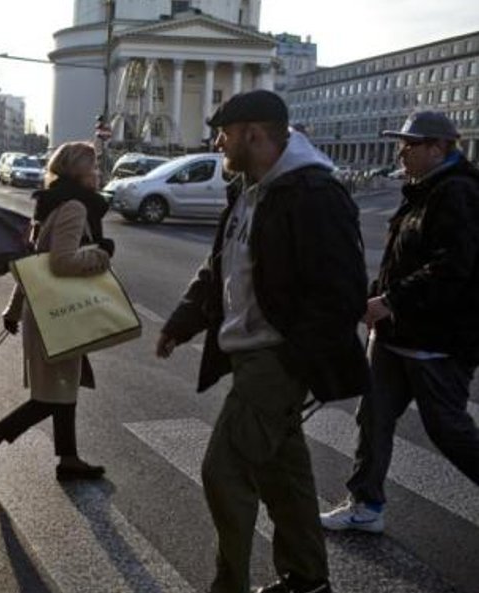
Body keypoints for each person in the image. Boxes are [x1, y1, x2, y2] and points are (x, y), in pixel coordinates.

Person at [156, 90, 369, 593]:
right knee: (283, 475)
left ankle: (228, 586)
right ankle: (308, 579)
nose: (218, 143)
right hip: (253, 355)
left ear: (254, 134)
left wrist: (295, 364)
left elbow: (342, 293)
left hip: (276, 358)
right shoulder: (249, 188)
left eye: (224, 134)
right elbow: (221, 266)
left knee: (223, 471)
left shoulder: (312, 193)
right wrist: (182, 321)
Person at [321, 111, 479, 533]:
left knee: (449, 430)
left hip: (438, 341)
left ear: (438, 148)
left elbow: (452, 266)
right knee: (373, 418)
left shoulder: (458, 192)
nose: (401, 151)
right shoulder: (422, 190)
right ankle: (365, 504)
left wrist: (390, 300)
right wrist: (375, 299)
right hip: (395, 336)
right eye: (401, 143)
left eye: (410, 144)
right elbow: (400, 259)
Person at [0, 141, 116, 483]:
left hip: (47, 310)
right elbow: (60, 262)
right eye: (93, 167)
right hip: (59, 314)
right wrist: (102, 253)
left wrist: (14, 308)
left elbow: (33, 263)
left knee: (64, 387)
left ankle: (68, 459)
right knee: (52, 395)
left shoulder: (51, 204)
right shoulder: (76, 207)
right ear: (79, 172)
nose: (98, 173)